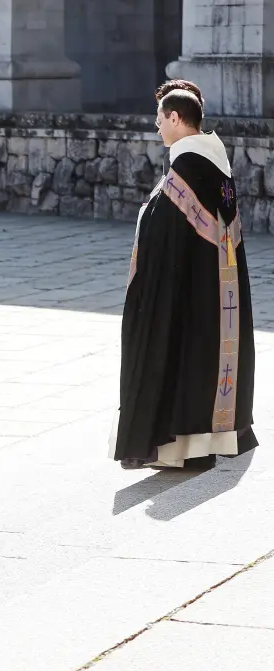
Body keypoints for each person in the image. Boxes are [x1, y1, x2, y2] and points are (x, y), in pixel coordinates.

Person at [113, 81, 258, 469]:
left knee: (180, 354)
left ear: (175, 118)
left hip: (188, 289)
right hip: (215, 288)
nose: (158, 127)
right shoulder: (215, 162)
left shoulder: (187, 167)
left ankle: (182, 450)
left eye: (160, 120)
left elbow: (164, 229)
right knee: (204, 357)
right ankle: (202, 445)